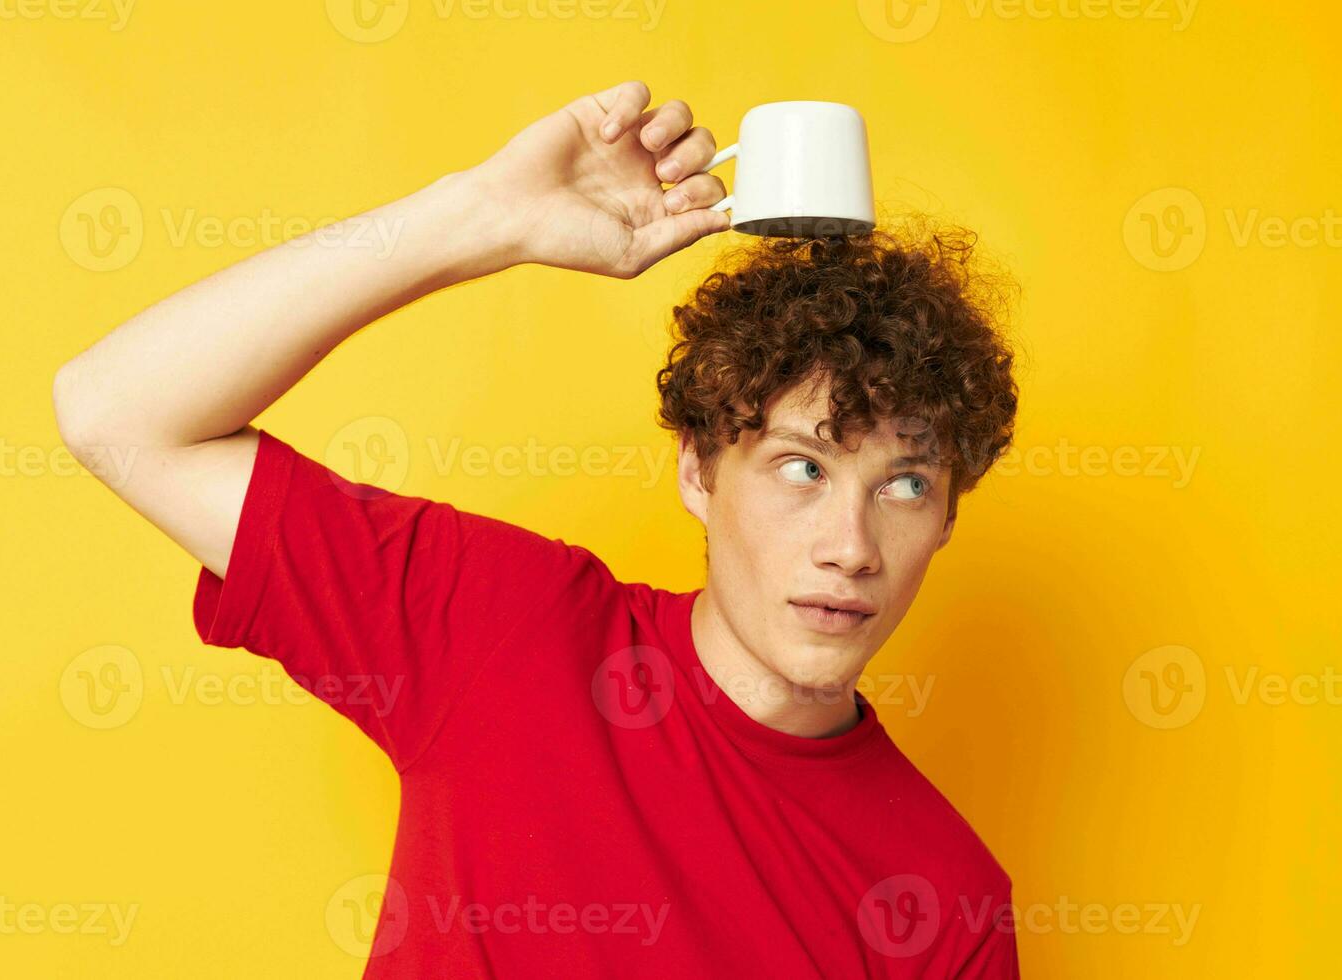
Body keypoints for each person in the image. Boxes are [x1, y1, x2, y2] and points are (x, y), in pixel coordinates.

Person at [53, 80, 1021, 978]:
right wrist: (483, 217)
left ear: (946, 513)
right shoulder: (503, 626)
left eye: (902, 483)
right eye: (802, 466)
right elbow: (115, 411)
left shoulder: (950, 901)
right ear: (697, 466)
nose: (850, 545)